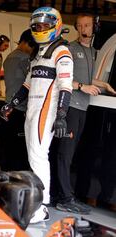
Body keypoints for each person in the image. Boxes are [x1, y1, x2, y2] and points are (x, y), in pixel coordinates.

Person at [0, 7, 73, 223]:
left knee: (39, 157)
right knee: (33, 156)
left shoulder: (62, 52)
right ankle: (37, 202)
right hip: (31, 111)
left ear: (56, 25)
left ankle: (41, 206)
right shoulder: (40, 53)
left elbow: (65, 86)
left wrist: (61, 115)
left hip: (46, 112)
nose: (40, 28)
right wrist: (11, 104)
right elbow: (27, 85)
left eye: (44, 25)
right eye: (37, 25)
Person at [50, 13, 116, 214]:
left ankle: (63, 194)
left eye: (87, 25)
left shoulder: (93, 53)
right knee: (64, 154)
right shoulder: (69, 49)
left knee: (70, 154)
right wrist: (82, 87)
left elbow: (88, 78)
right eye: (80, 25)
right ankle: (64, 197)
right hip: (69, 107)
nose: (83, 29)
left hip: (82, 109)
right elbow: (58, 77)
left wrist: (103, 84)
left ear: (93, 27)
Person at [0, 29, 37, 171]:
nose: (32, 51)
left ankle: (5, 178)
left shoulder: (10, 57)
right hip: (19, 108)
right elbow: (33, 81)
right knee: (18, 150)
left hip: (8, 106)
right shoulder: (24, 59)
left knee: (7, 149)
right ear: (27, 43)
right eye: (32, 47)